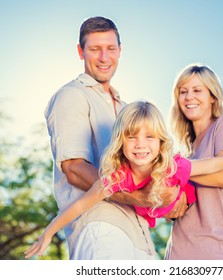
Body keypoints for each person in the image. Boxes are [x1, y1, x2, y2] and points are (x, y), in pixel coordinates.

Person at [24, 101, 223, 259]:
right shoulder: (116, 178)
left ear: (161, 143)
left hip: (182, 200)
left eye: (149, 138)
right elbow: (80, 205)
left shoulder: (172, 167)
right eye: (132, 137)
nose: (141, 145)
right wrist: (48, 232)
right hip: (155, 210)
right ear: (121, 143)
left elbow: (213, 164)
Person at [43, 16, 166, 260]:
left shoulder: (127, 109)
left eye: (110, 49)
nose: (104, 57)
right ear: (80, 51)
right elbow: (74, 168)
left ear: (120, 50)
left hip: (141, 238)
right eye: (95, 49)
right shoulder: (72, 95)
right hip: (100, 228)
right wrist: (138, 198)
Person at [165, 63, 223, 260]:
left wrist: (176, 170)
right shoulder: (186, 152)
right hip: (176, 254)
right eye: (183, 91)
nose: (189, 97)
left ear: (213, 97)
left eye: (197, 90)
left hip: (215, 251)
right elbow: (174, 208)